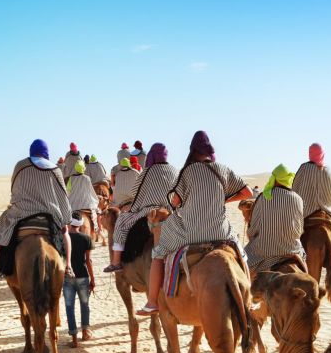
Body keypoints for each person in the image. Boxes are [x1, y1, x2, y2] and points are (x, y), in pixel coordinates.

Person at [138, 130, 253, 315]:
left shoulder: (187, 171)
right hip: (220, 232)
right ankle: (249, 298)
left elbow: (175, 202)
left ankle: (152, 302)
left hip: (190, 233)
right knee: (241, 253)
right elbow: (247, 193)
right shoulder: (223, 169)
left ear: (193, 150)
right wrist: (224, 199)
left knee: (158, 253)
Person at [0, 139, 72, 281]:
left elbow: (14, 188)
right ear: (46, 153)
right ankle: (68, 266)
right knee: (65, 233)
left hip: (21, 213)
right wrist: (65, 219)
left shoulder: (21, 165)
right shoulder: (55, 169)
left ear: (31, 151)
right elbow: (63, 197)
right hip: (50, 215)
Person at [103, 142, 174, 273]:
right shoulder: (174, 170)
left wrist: (136, 206)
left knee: (121, 222)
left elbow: (136, 191)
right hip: (170, 211)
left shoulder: (147, 171)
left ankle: (116, 261)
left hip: (149, 210)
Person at [244, 163, 306, 273]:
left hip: (263, 253)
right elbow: (299, 230)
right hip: (291, 251)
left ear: (274, 179)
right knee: (304, 262)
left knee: (242, 266)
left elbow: (253, 229)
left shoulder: (264, 197)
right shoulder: (298, 199)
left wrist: (251, 234)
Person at [63, 213, 95, 343]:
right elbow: (88, 261)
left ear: (69, 223)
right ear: (80, 224)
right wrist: (93, 279)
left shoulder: (63, 239)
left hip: (67, 277)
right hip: (83, 276)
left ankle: (74, 338)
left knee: (69, 306)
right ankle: (85, 332)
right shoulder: (86, 238)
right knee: (85, 305)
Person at [292, 142, 331, 229]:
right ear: (322, 153)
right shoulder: (327, 170)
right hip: (325, 209)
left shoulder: (304, 167)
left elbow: (295, 188)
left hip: (305, 211)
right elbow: (330, 193)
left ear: (310, 153)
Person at [66, 160, 99, 238]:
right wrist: (96, 201)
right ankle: (97, 230)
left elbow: (67, 192)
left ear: (75, 168)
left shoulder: (70, 179)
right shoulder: (87, 178)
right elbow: (91, 192)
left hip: (73, 206)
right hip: (86, 206)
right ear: (84, 168)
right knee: (96, 214)